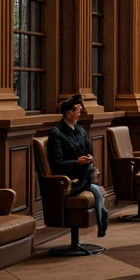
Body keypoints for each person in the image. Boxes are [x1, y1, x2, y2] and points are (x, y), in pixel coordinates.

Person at [47, 94, 109, 237]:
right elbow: (58, 163)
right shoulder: (56, 134)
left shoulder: (81, 130)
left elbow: (89, 150)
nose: (79, 113)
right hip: (69, 177)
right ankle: (92, 189)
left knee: (96, 190)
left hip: (84, 172)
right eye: (77, 111)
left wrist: (89, 157)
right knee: (98, 191)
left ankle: (90, 185)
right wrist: (77, 162)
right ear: (68, 112)